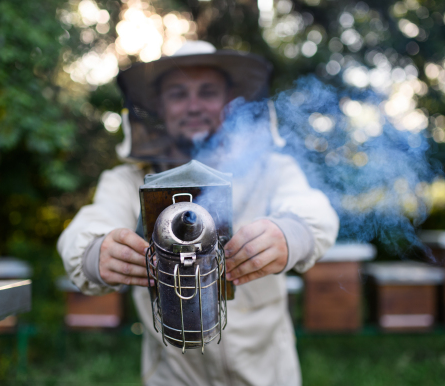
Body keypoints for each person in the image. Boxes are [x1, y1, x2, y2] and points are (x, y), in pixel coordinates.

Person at [58, 41, 339, 386]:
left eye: (207, 92)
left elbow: (316, 211)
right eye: (178, 94)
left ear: (228, 103)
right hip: (173, 376)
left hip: (267, 374)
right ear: (159, 107)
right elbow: (84, 228)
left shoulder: (272, 170)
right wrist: (95, 251)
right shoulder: (129, 180)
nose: (193, 106)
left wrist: (290, 233)